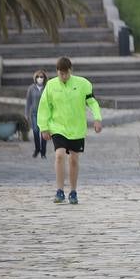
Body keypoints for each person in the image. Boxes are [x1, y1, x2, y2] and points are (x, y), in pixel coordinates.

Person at [38, 56, 103, 204]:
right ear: (57, 72)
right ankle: (59, 191)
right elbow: (44, 107)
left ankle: (73, 191)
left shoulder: (83, 84)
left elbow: (92, 102)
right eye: (61, 73)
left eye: (66, 73)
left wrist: (97, 118)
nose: (64, 76)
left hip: (77, 128)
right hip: (58, 127)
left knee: (73, 159)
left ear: (70, 71)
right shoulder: (51, 86)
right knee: (59, 155)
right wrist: (44, 127)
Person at [26, 69, 49, 159]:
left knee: (44, 132)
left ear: (44, 78)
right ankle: (37, 149)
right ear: (35, 78)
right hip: (34, 113)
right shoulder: (31, 88)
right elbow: (28, 102)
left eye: (41, 77)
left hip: (44, 113)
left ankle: (43, 152)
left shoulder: (47, 88)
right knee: (35, 131)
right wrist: (26, 113)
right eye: (38, 77)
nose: (40, 78)